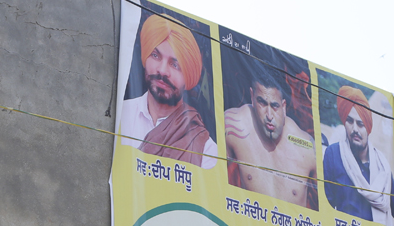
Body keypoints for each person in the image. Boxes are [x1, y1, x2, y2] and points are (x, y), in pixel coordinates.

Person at [119, 13, 216, 167]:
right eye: (155, 55)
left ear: (188, 76)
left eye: (175, 65)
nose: (162, 71)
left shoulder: (205, 149)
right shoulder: (120, 115)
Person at [224, 68, 317, 209]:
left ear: (283, 106)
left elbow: (324, 210)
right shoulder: (235, 124)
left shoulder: (307, 147)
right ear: (252, 97)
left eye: (274, 106)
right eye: (262, 103)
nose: (269, 115)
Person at [322, 86, 394, 226]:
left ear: (368, 128)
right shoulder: (334, 153)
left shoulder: (382, 166)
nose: (355, 129)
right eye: (350, 121)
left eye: (360, 124)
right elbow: (326, 203)